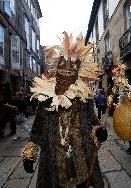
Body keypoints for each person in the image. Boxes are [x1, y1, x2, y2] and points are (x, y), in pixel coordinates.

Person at [22, 33, 107, 187]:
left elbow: (93, 123)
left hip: (82, 161)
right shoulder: (45, 99)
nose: (67, 70)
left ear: (78, 72)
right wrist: (30, 154)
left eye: (73, 66)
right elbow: (37, 130)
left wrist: (99, 131)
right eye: (63, 65)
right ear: (56, 68)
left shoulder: (84, 98)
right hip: (55, 164)